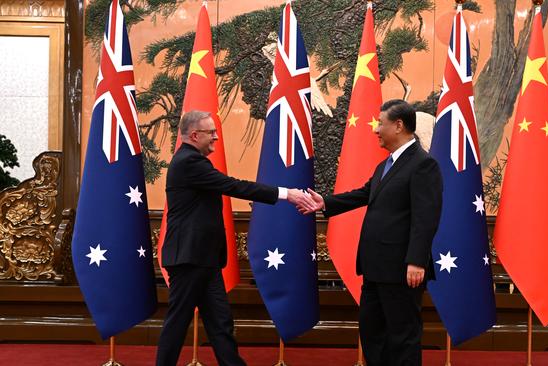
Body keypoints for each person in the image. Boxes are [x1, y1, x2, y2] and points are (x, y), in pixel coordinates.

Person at [156, 110, 316, 366]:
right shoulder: (189, 162)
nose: (216, 138)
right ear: (195, 135)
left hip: (203, 259)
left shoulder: (192, 161)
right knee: (178, 323)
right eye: (211, 133)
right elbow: (234, 186)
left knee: (220, 323)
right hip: (189, 259)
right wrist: (288, 194)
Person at [304, 100, 443, 365]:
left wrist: (416, 260)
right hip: (375, 267)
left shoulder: (423, 165)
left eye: (381, 123)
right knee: (372, 333)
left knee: (402, 336)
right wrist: (326, 203)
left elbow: (426, 218)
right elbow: (364, 194)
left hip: (402, 269)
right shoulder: (386, 165)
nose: (376, 129)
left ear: (399, 125)